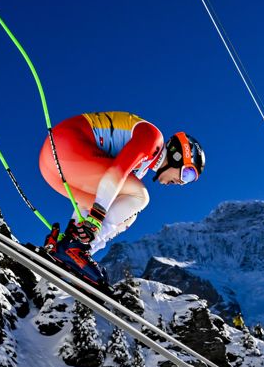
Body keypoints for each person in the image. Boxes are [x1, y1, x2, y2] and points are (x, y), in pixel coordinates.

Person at [38, 111, 205, 284]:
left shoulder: (142, 167)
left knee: (128, 214)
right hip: (65, 146)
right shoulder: (153, 137)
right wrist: (95, 219)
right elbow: (115, 173)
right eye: (187, 174)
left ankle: (71, 251)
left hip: (53, 167)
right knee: (140, 196)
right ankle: (76, 247)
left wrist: (82, 223)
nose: (181, 183)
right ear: (178, 155)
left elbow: (101, 192)